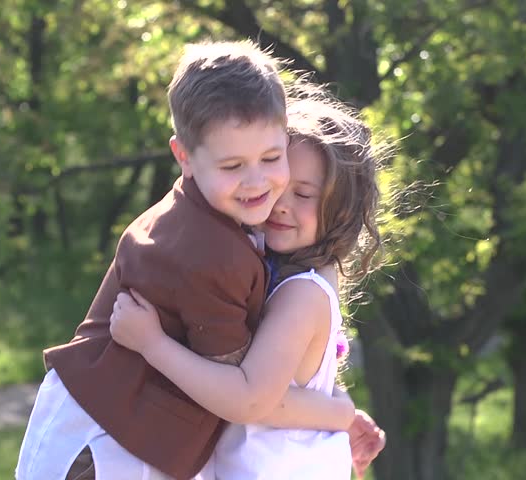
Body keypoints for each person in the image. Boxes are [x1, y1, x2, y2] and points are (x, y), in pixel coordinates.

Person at [15, 40, 369, 480]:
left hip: (115, 431)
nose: (260, 185)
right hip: (107, 443)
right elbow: (251, 396)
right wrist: (341, 412)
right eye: (233, 165)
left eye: (272, 159)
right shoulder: (216, 252)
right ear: (184, 157)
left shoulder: (226, 221)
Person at [110, 88, 388, 479]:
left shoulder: (302, 294)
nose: (281, 203)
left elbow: (255, 400)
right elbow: (298, 392)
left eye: (304, 194)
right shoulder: (279, 273)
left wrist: (151, 343)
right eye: (278, 183)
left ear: (341, 211)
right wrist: (340, 411)